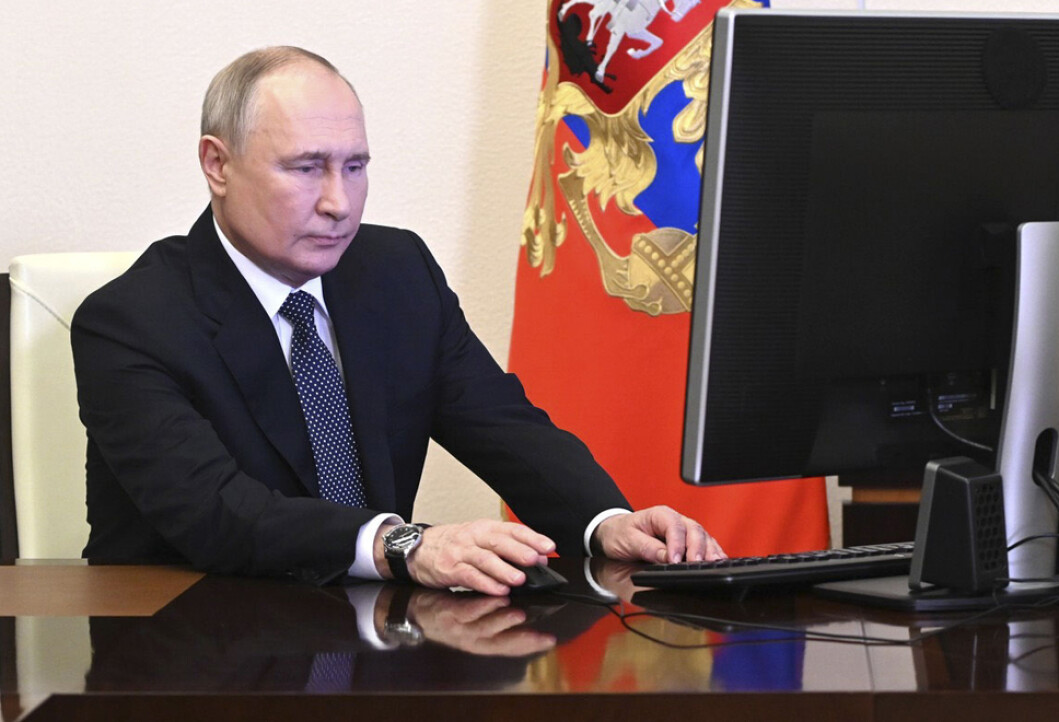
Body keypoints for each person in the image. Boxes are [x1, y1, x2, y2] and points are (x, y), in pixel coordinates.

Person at [71, 46, 724, 595]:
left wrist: (605, 522)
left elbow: (502, 425)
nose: (338, 202)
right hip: (196, 641)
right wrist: (402, 543)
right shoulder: (128, 323)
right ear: (217, 164)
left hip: (372, 631)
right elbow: (215, 512)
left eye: (355, 167)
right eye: (306, 168)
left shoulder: (396, 272)